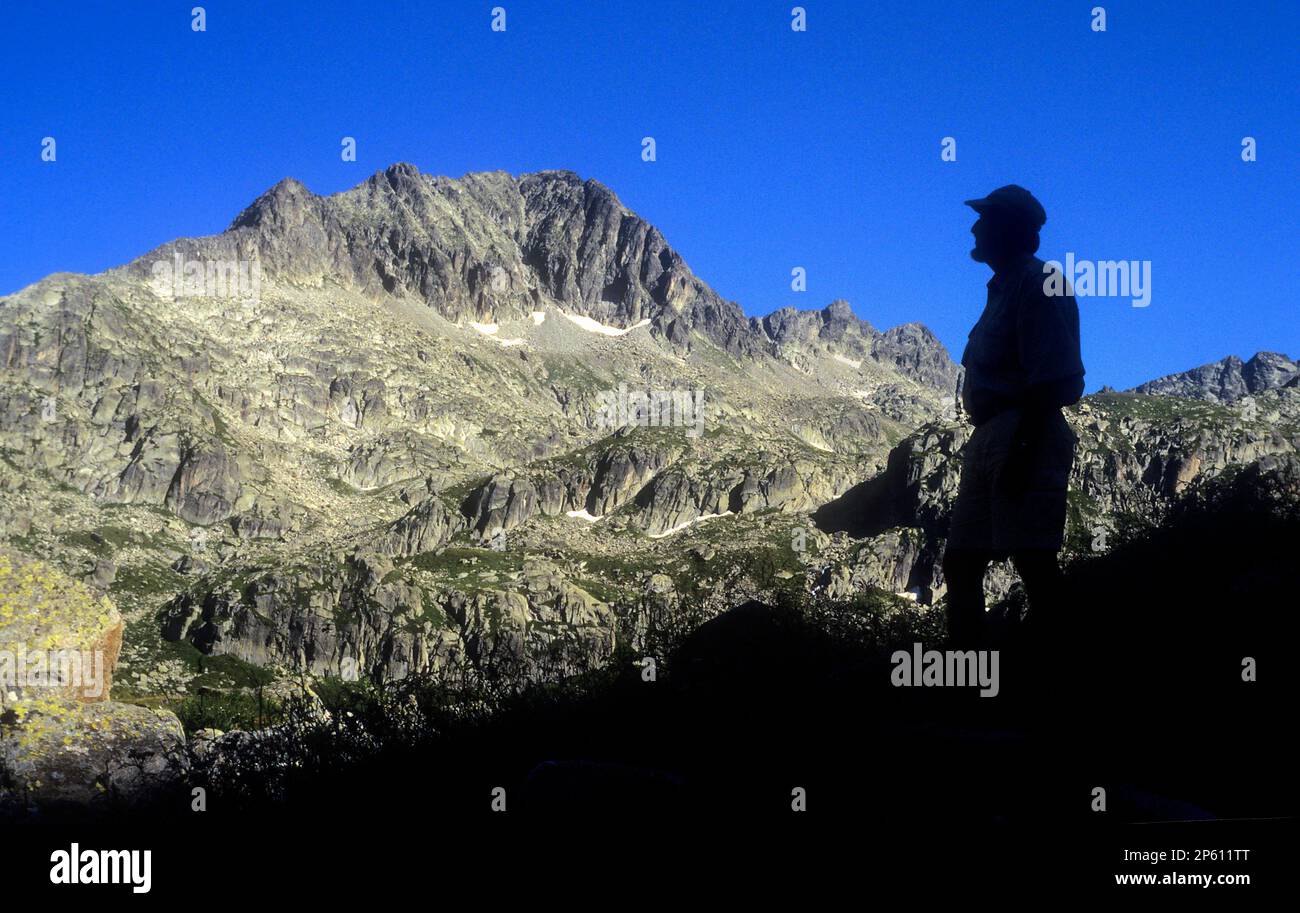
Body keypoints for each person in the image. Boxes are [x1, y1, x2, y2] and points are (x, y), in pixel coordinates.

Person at [944, 185, 1085, 650]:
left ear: (1010, 229)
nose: (974, 227)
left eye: (985, 219)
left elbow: (1058, 378)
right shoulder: (1003, 289)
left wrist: (1023, 449)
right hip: (992, 434)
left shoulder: (1040, 282)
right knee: (962, 562)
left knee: (1033, 558)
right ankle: (971, 679)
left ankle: (1050, 680)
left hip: (1028, 430)